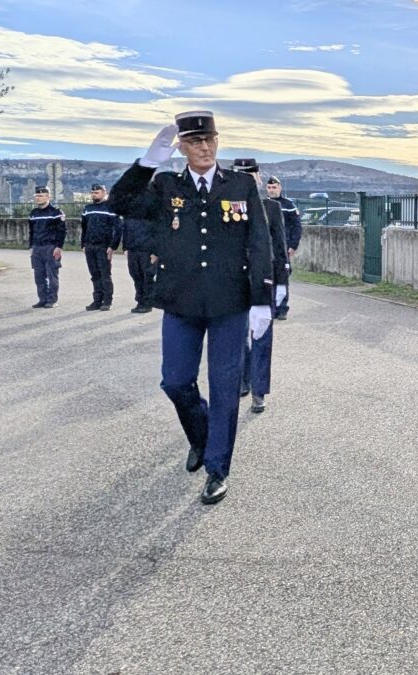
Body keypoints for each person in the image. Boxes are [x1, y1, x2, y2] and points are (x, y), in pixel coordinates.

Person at [109, 110, 274, 505]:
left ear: (217, 141)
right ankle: (200, 436)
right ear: (181, 147)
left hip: (229, 303)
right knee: (176, 381)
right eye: (195, 141)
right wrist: (148, 162)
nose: (204, 147)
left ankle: (218, 469)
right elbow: (120, 203)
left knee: (223, 388)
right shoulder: (166, 184)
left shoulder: (241, 185)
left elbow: (259, 242)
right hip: (180, 302)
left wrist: (261, 301)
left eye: (209, 139)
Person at [233, 159, 288, 414]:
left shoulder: (271, 208)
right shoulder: (223, 206)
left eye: (250, 174)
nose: (246, 178)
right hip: (231, 282)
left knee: (261, 338)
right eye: (240, 174)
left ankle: (258, 390)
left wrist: (281, 284)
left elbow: (278, 248)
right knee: (236, 336)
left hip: (262, 281)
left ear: (257, 177)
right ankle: (242, 380)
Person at [80, 183, 121, 311]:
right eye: (92, 193)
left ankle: (107, 301)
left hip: (104, 246)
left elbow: (118, 229)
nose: (94, 195)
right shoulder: (88, 208)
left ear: (104, 193)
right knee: (94, 275)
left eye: (97, 192)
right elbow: (84, 228)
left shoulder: (111, 208)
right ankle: (97, 300)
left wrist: (113, 246)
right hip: (90, 246)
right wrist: (83, 244)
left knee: (105, 275)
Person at [266, 175, 301, 320]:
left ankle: (282, 309)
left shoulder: (289, 205)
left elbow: (297, 227)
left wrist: (293, 245)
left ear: (280, 188)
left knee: (282, 278)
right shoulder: (262, 205)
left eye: (274, 187)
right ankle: (270, 308)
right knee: (268, 279)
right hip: (267, 248)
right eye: (269, 187)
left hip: (283, 248)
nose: (272, 190)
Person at [28, 186, 66, 309]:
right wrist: (31, 246)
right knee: (39, 276)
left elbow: (62, 231)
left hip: (51, 247)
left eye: (41, 196)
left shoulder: (56, 212)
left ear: (48, 197)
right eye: (36, 196)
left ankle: (52, 300)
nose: (38, 198)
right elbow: (31, 231)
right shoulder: (34, 213)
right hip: (37, 248)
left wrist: (58, 247)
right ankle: (42, 299)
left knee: (52, 275)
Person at [119, 213, 156, 313]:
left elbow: (158, 232)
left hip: (147, 251)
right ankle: (140, 302)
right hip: (132, 250)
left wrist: (155, 252)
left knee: (147, 277)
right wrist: (125, 248)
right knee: (136, 276)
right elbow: (125, 231)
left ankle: (148, 303)